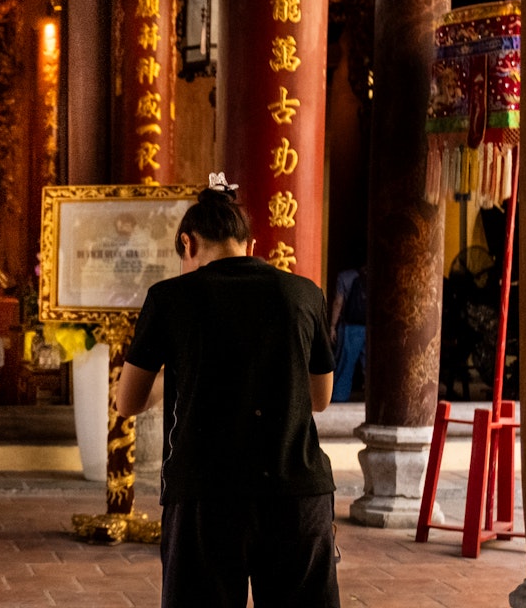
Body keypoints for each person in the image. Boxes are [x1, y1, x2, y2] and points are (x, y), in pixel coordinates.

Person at [112, 187, 339, 608]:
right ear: (251, 246)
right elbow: (320, 397)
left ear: (188, 243)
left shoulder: (170, 297)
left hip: (206, 493)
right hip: (297, 489)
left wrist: (181, 372)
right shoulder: (304, 293)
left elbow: (128, 401)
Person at [329, 265, 369, 403]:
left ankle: (339, 397)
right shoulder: (376, 274)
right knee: (369, 365)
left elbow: (338, 302)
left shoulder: (344, 276)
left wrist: (333, 326)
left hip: (351, 327)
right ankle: (372, 399)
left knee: (345, 363)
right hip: (371, 327)